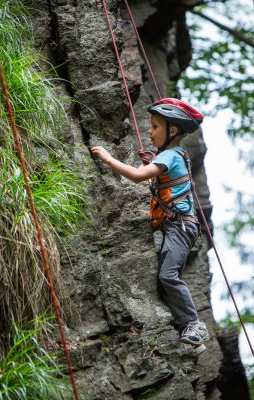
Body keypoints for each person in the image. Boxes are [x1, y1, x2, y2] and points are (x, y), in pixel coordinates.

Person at [90, 98, 210, 345]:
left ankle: (195, 325)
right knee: (166, 275)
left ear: (173, 131)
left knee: (168, 275)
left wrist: (108, 158)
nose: (149, 131)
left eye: (155, 126)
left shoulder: (171, 156)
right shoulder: (173, 156)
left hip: (180, 226)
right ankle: (184, 329)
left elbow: (136, 176)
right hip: (179, 224)